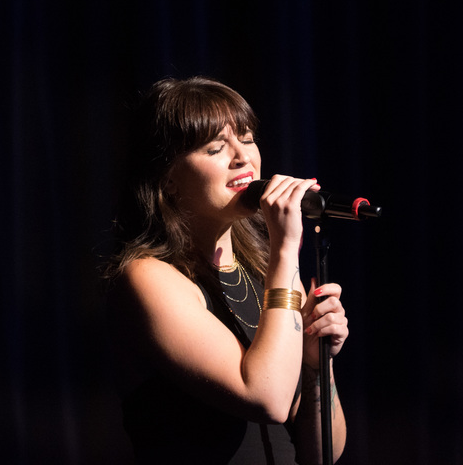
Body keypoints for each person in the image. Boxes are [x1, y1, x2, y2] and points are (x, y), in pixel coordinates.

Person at [104, 76, 348, 464]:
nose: (243, 157)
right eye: (216, 147)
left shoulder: (268, 269)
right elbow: (266, 398)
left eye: (247, 139)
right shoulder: (149, 277)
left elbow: (322, 454)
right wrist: (285, 249)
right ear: (166, 177)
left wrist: (319, 367)